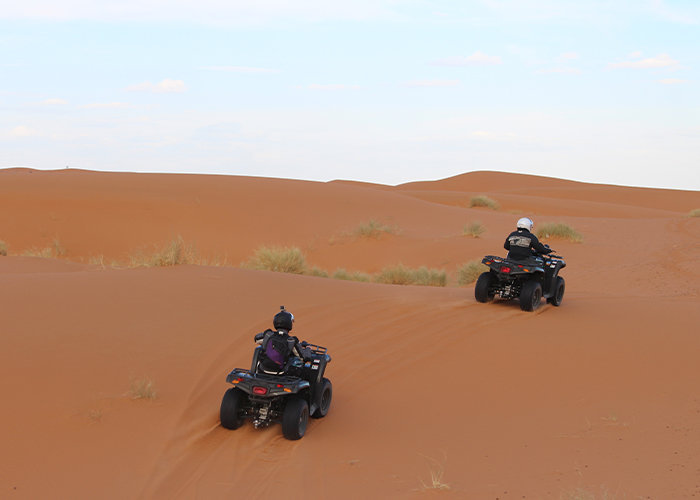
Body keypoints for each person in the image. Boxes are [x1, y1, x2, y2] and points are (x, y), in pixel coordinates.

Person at [254, 306, 307, 374]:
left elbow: (256, 339)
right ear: (289, 324)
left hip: (263, 370)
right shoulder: (292, 341)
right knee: (298, 366)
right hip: (280, 373)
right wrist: (308, 348)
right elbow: (304, 357)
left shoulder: (268, 334)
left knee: (259, 351)